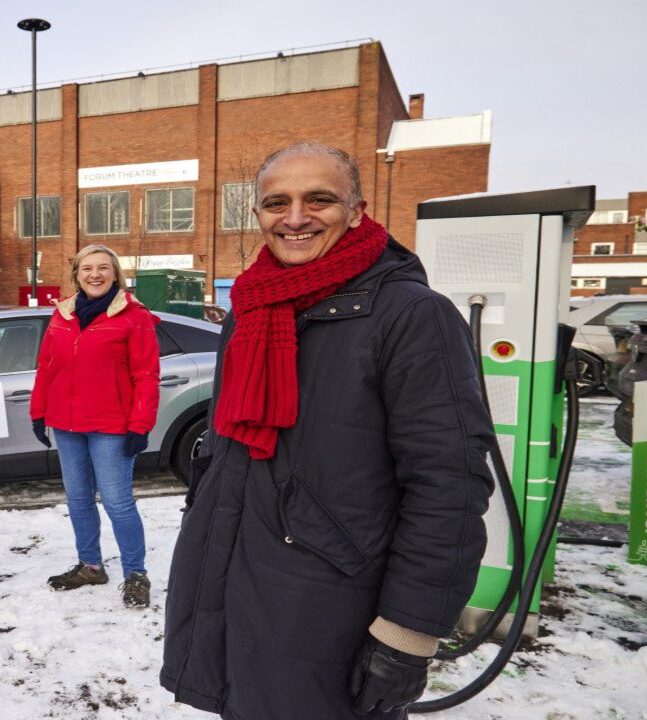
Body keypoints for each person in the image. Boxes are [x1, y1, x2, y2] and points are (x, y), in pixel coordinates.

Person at [159, 142, 495, 719]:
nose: (294, 218)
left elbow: (450, 485)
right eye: (276, 202)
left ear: (357, 210)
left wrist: (407, 634)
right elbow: (232, 448)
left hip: (335, 600)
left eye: (319, 199)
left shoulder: (412, 315)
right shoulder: (252, 306)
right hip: (238, 573)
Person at [30, 244, 160, 609]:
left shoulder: (134, 317)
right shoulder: (62, 315)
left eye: (103, 268)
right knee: (79, 499)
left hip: (111, 426)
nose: (95, 274)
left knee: (118, 503)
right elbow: (47, 368)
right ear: (77, 274)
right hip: (67, 425)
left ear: (115, 274)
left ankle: (136, 573)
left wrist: (140, 425)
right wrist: (39, 413)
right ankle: (90, 565)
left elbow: (147, 375)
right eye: (87, 268)